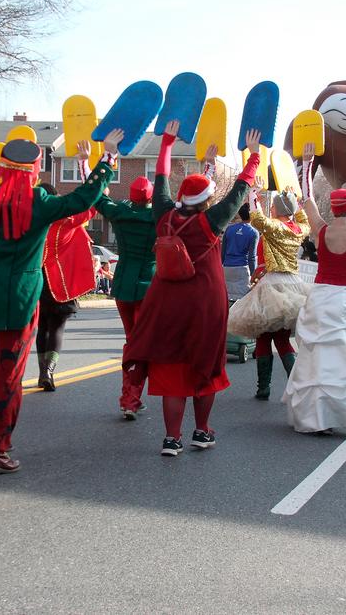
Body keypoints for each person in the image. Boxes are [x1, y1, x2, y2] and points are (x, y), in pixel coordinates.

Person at [0, 131, 116, 474]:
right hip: (21, 303)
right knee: (9, 378)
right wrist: (106, 160)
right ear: (33, 170)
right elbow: (85, 199)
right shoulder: (39, 202)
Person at [124, 121, 260, 456]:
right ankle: (202, 431)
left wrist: (168, 142)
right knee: (206, 367)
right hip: (204, 304)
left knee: (171, 371)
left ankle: (172, 438)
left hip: (165, 301)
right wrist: (254, 157)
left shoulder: (164, 214)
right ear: (206, 200)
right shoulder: (210, 221)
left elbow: (160, 178)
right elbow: (240, 189)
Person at [282, 143, 346, 434]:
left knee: (316, 356)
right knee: (344, 356)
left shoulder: (320, 230)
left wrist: (306, 163)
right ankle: (338, 413)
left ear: (337, 208)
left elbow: (307, 199)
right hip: (345, 297)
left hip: (321, 295)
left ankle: (315, 415)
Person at [228, 179, 311, 400]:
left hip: (272, 283)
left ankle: (263, 387)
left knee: (264, 338)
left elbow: (256, 218)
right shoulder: (298, 230)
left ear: (279, 210)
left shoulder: (275, 228)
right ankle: (296, 385)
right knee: (282, 339)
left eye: (273, 206)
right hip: (293, 286)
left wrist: (253, 193)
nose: (271, 209)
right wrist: (297, 201)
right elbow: (305, 222)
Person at [94, 174, 157, 421]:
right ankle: (130, 398)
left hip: (123, 284)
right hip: (147, 287)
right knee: (141, 345)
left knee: (132, 340)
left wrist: (87, 166)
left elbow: (97, 197)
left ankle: (129, 397)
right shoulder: (158, 216)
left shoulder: (119, 213)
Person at [37, 155, 99, 391]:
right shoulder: (66, 220)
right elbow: (92, 204)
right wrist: (86, 168)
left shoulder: (32, 219)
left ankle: (42, 370)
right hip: (62, 284)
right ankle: (49, 372)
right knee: (57, 328)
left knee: (42, 327)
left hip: (37, 282)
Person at [221, 203, 258, 300]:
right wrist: (253, 274)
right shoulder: (253, 232)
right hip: (242, 269)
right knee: (241, 301)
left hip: (227, 268)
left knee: (226, 297)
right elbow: (252, 257)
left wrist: (221, 266)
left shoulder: (229, 229)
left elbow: (222, 251)